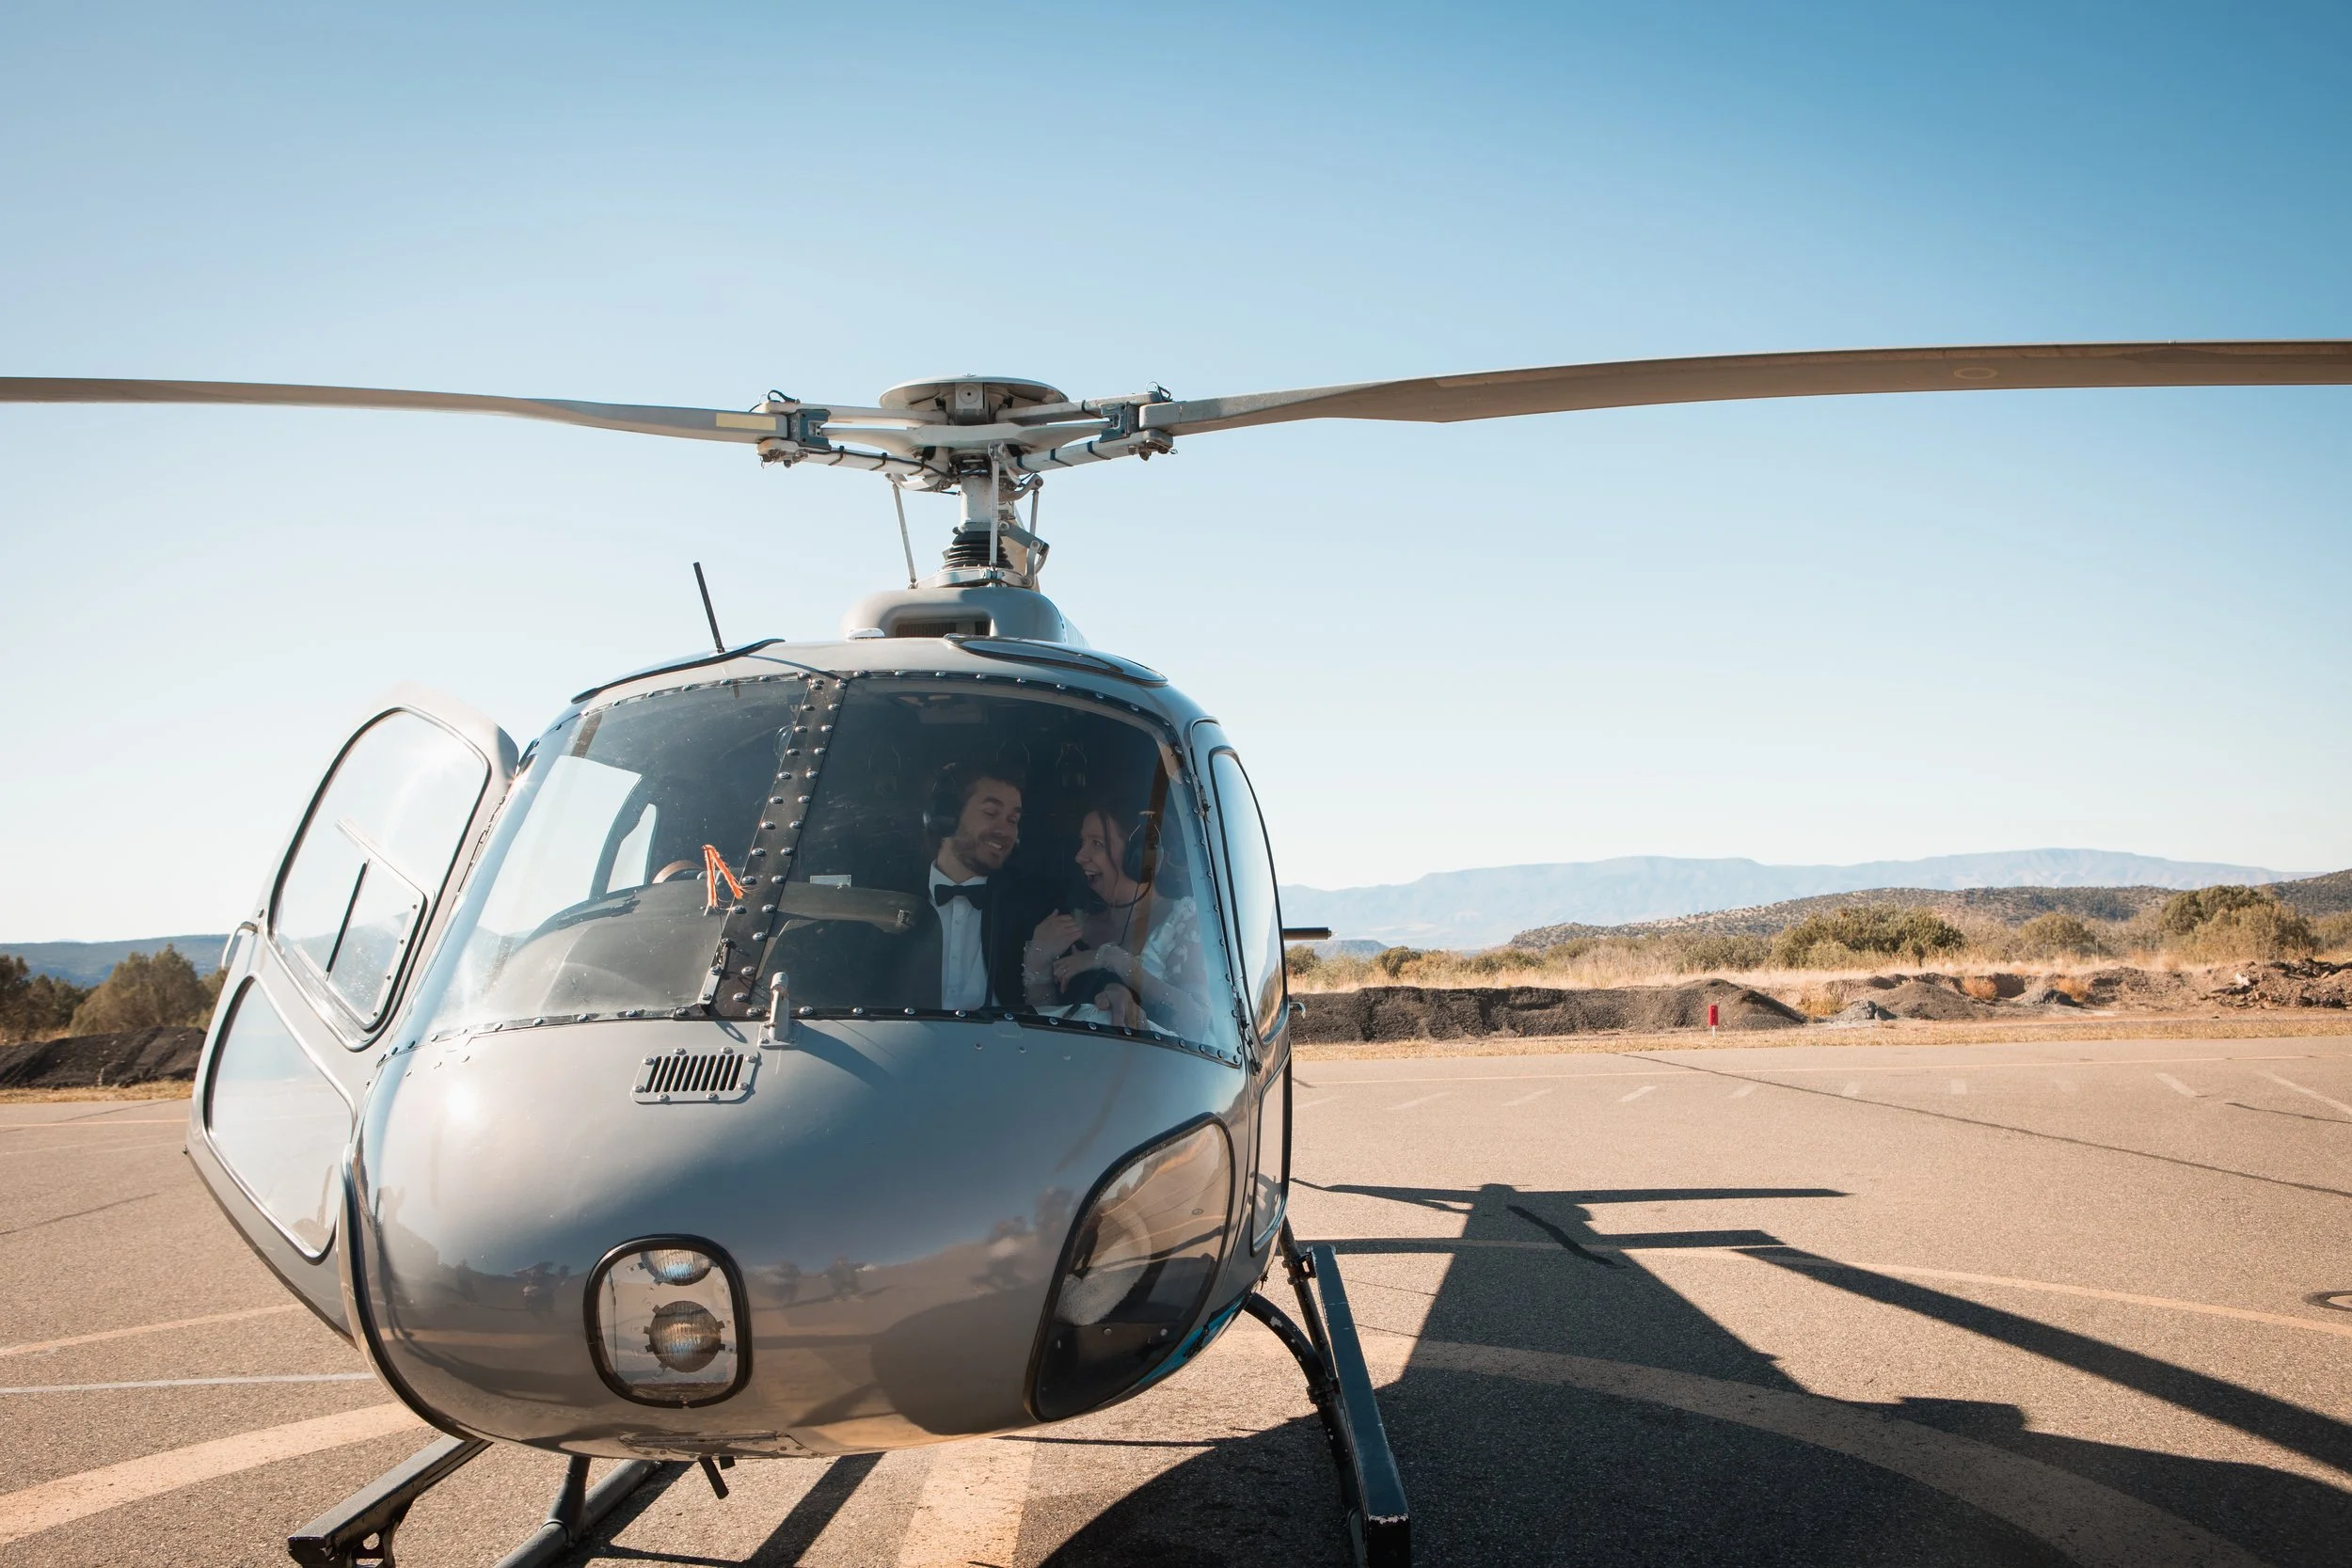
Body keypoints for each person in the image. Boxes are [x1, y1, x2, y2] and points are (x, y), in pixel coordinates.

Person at [1022, 802, 1208, 1037]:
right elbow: (1042, 1029)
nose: (1079, 856)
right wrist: (1038, 962)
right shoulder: (1073, 924)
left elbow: (1197, 1023)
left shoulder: (1184, 921)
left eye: (1097, 844)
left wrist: (1114, 960)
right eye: (1082, 843)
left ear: (1140, 857)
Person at [895, 763, 1043, 1010]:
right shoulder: (890, 898)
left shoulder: (1033, 907)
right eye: (991, 813)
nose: (1005, 831)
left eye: (1013, 820)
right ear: (946, 817)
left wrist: (1114, 988)